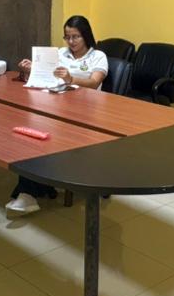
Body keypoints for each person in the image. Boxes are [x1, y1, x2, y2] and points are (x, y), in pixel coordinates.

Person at [7, 15, 109, 214]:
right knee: (33, 137)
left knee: (44, 140)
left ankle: (29, 193)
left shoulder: (98, 56)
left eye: (75, 37)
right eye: (67, 37)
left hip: (85, 114)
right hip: (58, 107)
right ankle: (30, 192)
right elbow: (47, 77)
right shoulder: (61, 54)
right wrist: (31, 69)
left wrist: (71, 78)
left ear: (86, 35)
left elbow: (94, 82)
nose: (71, 42)